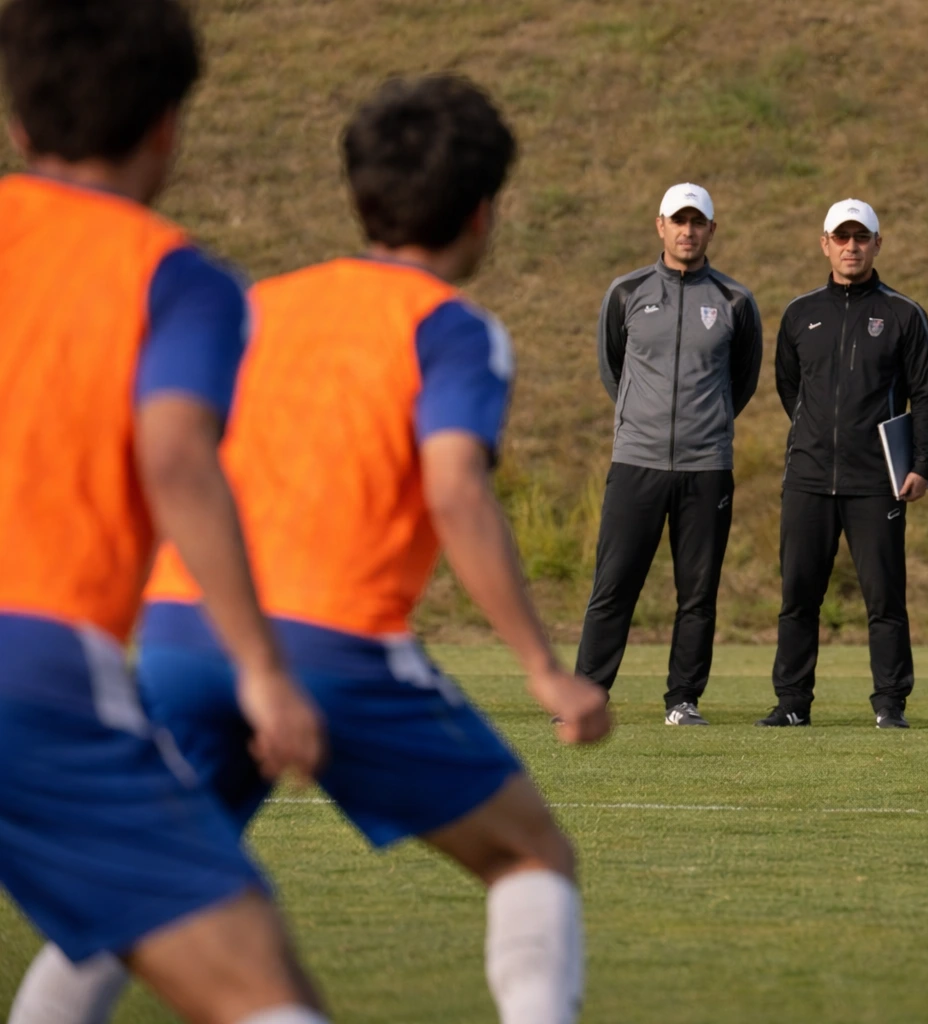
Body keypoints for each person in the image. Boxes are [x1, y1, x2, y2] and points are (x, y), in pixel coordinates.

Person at [25, 75, 614, 1024]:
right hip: (329, 645)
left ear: (359, 197)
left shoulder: (257, 306)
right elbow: (456, 487)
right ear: (482, 211)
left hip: (182, 630)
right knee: (530, 852)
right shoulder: (453, 329)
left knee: (131, 896)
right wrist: (546, 670)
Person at [0, 1, 329, 1022]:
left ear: (17, 123)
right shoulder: (178, 280)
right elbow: (178, 458)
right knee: (261, 993)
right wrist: (265, 673)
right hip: (33, 670)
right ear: (167, 127)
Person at [577, 183, 762, 725]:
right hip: (637, 462)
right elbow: (614, 368)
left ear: (711, 230)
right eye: (678, 221)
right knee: (613, 586)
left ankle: (683, 699)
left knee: (697, 593)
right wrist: (643, 420)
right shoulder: (627, 291)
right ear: (660, 226)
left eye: (697, 222)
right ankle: (587, 694)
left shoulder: (734, 300)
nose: (687, 231)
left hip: (707, 468)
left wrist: (708, 425)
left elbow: (742, 381)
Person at [763, 199, 928, 729]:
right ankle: (793, 702)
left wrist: (921, 464)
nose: (851, 246)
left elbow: (927, 397)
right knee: (798, 596)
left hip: (876, 482)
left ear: (877, 244)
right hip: (809, 478)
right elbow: (790, 388)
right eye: (841, 237)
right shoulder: (799, 313)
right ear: (824, 243)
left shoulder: (903, 314)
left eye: (860, 237)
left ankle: (890, 704)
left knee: (885, 599)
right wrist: (816, 437)